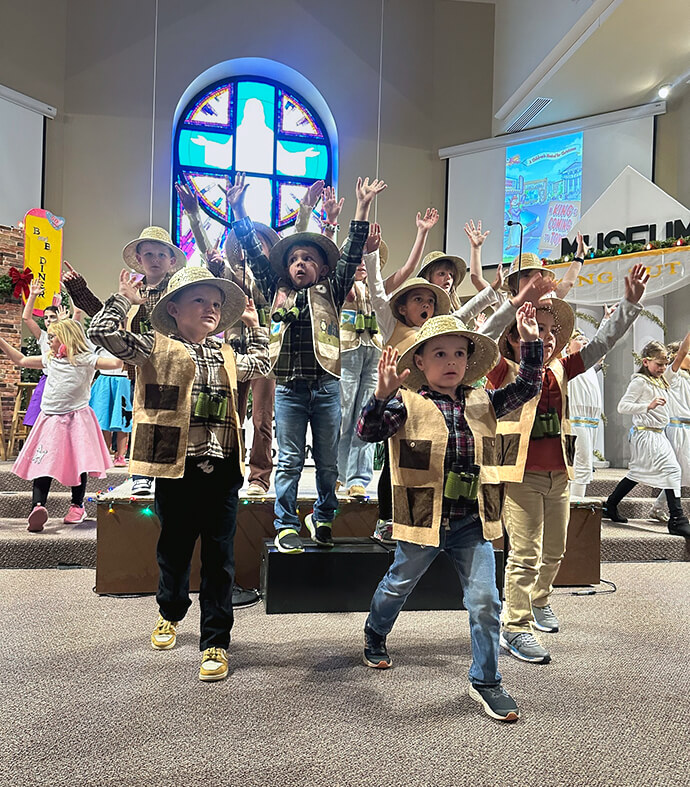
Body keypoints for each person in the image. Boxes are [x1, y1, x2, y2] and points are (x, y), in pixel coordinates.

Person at [355, 306, 543, 722]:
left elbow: (529, 386)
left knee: (485, 600)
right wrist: (381, 395)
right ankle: (375, 631)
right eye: (439, 354)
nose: (451, 362)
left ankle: (486, 680)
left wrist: (530, 343)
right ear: (419, 362)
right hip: (423, 518)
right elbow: (367, 432)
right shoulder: (406, 404)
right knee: (399, 582)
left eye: (459, 353)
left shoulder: (485, 401)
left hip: (472, 520)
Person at [88, 266, 270, 681]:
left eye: (217, 304)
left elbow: (260, 362)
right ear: (173, 307)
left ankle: (215, 642)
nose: (210, 309)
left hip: (222, 471)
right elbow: (103, 334)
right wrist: (123, 300)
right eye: (200, 301)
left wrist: (257, 326)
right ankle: (170, 609)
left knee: (220, 559)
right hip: (175, 470)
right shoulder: (154, 347)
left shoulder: (226, 353)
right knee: (172, 551)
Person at [488, 264, 650, 665]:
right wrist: (517, 304)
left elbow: (599, 346)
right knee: (524, 554)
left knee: (555, 551)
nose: (543, 336)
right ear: (513, 335)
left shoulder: (561, 366)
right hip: (520, 473)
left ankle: (539, 601)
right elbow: (485, 338)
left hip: (559, 471)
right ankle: (514, 625)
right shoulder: (500, 368)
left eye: (547, 330)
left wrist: (628, 306)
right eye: (532, 327)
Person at [228, 172, 384, 554]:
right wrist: (238, 209)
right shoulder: (274, 289)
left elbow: (349, 254)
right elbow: (254, 253)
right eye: (294, 259)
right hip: (290, 390)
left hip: (327, 387)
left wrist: (362, 206)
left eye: (308, 259)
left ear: (323, 269)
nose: (300, 264)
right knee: (290, 461)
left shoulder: (331, 290)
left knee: (329, 462)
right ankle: (285, 523)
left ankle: (323, 515)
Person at [62, 227, 187, 496]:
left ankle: (173, 471)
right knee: (142, 417)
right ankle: (142, 473)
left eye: (161, 254)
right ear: (139, 259)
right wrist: (77, 288)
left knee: (175, 418)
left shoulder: (179, 290)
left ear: (171, 260)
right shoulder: (132, 290)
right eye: (149, 254)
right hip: (139, 367)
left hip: (176, 364)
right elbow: (101, 314)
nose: (155, 259)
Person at [1, 319, 120, 532]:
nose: (49, 341)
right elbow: (20, 359)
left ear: (66, 338)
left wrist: (116, 340)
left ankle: (77, 505)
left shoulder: (85, 359)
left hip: (77, 418)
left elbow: (116, 364)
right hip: (50, 419)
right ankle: (38, 507)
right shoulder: (50, 359)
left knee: (78, 463)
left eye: (53, 337)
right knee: (42, 462)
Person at [603, 341, 690, 538]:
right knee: (673, 469)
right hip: (645, 433)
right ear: (646, 362)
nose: (663, 368)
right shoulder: (639, 381)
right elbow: (622, 407)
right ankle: (677, 519)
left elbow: (680, 356)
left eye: (665, 364)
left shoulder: (662, 380)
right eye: (659, 364)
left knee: (636, 473)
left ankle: (610, 505)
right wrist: (647, 406)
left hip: (658, 433)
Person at [648, 332, 690, 522]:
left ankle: (658, 507)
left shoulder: (687, 378)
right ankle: (665, 510)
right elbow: (682, 352)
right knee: (677, 471)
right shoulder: (672, 377)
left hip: (687, 429)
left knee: (680, 472)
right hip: (678, 428)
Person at [21, 280, 64, 427]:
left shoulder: (68, 335)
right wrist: (32, 295)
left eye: (52, 317)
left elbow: (77, 313)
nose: (48, 320)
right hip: (47, 379)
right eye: (46, 318)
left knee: (57, 423)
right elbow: (26, 318)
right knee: (36, 421)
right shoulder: (43, 336)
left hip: (63, 381)